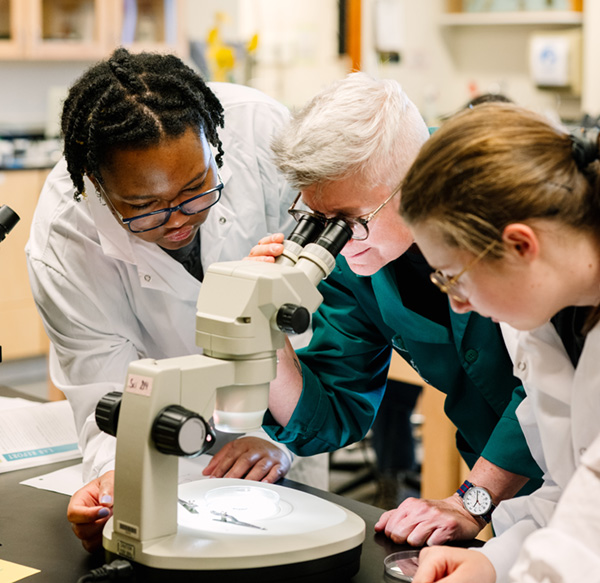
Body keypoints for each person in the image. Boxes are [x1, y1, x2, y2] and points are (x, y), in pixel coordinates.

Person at [25, 48, 324, 553]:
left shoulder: (264, 135)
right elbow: (104, 392)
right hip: (167, 455)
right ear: (96, 187)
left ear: (215, 147)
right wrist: (116, 480)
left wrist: (283, 437)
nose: (180, 220)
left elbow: (328, 307)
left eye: (197, 188)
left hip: (287, 430)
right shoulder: (63, 241)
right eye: (144, 209)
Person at [248, 72, 543, 547]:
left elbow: (552, 385)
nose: (337, 243)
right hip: (513, 498)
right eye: (316, 218)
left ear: (414, 180)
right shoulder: (353, 262)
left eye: (352, 221)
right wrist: (262, 330)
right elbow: (329, 416)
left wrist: (471, 499)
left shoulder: (508, 203)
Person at [399, 101, 600, 583]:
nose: (459, 306)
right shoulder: (548, 320)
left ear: (521, 246)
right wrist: (491, 563)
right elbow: (574, 497)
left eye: (454, 277)